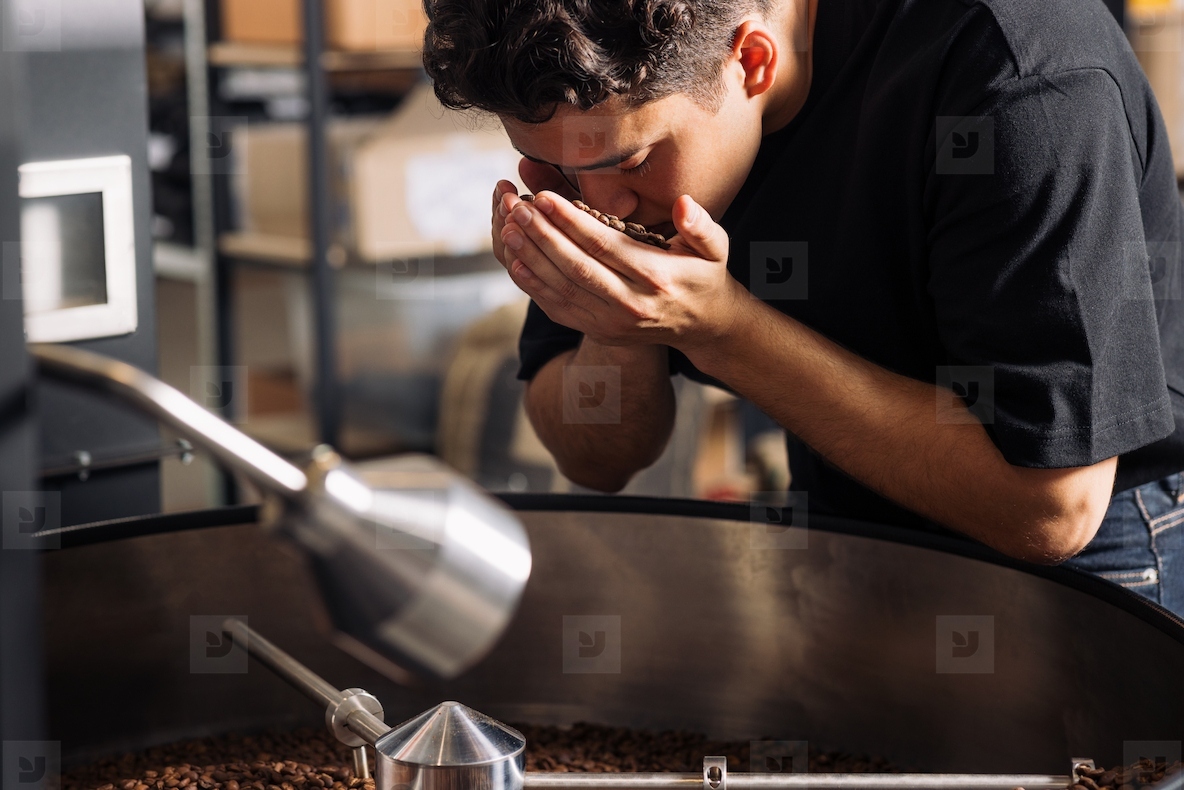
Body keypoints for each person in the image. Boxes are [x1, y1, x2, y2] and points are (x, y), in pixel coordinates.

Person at [421, 0, 1184, 615]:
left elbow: (1052, 510)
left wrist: (723, 330)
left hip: (1102, 542)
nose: (599, 203)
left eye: (630, 162)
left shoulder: (1019, 71)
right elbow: (593, 460)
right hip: (844, 512)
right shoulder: (598, 142)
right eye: (556, 165)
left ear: (751, 62)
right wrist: (617, 330)